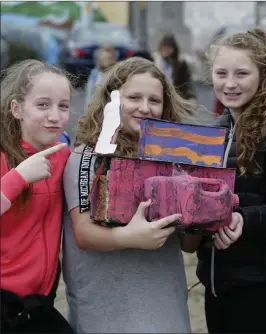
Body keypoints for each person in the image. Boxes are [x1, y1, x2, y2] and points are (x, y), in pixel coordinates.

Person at [62, 57, 243, 333]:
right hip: (106, 311)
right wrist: (130, 237)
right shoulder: (88, 157)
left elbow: (188, 244)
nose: (145, 108)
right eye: (133, 97)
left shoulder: (178, 160)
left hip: (165, 306)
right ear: (112, 101)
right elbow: (83, 234)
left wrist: (213, 217)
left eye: (154, 100)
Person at [183, 29, 266, 333]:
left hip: (262, 282)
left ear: (262, 75)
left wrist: (243, 220)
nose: (230, 83)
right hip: (217, 278)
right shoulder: (215, 131)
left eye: (242, 73)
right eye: (221, 73)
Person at [0, 59, 73, 333]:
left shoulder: (65, 156)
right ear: (17, 108)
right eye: (43, 105)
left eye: (63, 106)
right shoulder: (4, 156)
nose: (54, 116)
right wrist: (18, 177)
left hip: (41, 301)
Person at [154, 34, 196, 102]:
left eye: (168, 48)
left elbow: (187, 82)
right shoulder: (156, 62)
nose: (165, 51)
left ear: (173, 49)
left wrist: (191, 97)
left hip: (177, 98)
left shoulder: (180, 63)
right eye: (163, 48)